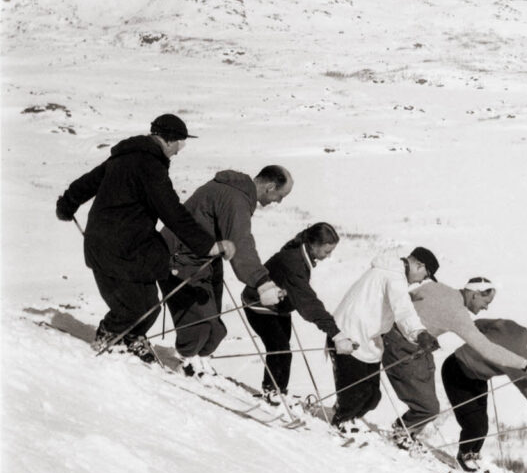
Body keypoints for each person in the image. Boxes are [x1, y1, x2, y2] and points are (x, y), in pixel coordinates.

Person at [54, 113, 235, 361]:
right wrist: (208, 246)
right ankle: (108, 338)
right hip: (117, 248)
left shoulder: (125, 157)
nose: (180, 151)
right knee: (136, 307)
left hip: (117, 245)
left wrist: (67, 204)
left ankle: (130, 338)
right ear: (169, 141)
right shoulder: (150, 166)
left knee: (149, 304)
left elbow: (85, 184)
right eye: (181, 143)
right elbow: (173, 212)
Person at [380, 277, 527, 446]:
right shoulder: (459, 315)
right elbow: (487, 348)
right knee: (429, 408)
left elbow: (403, 298)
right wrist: (526, 364)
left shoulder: (436, 286)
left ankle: (406, 430)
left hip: (401, 340)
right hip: (404, 348)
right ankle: (402, 433)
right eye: (486, 302)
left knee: (427, 401)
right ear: (475, 294)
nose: (485, 308)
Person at [159, 164, 293, 375]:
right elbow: (241, 244)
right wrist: (262, 282)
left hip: (204, 260)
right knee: (199, 325)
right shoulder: (236, 199)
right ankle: (184, 361)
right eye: (281, 195)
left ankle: (198, 361)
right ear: (270, 187)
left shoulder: (238, 194)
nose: (279, 201)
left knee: (216, 330)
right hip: (180, 258)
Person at [441, 309, 527, 472]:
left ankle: (472, 456)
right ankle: (463, 457)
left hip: (474, 376)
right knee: (475, 425)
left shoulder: (510, 325)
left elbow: (479, 324)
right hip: (458, 372)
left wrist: (482, 351)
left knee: (483, 426)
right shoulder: (519, 354)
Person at [328, 247, 440, 428]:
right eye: (425, 276)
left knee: (372, 397)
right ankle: (341, 423)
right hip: (348, 335)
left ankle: (348, 418)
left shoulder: (392, 274)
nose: (421, 281)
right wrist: (419, 333)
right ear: (419, 265)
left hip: (367, 339)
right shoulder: (393, 276)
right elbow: (403, 310)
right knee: (356, 394)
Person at [241, 222, 347, 404]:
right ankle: (272, 391)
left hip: (279, 307)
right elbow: (309, 303)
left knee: (284, 350)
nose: (328, 256)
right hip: (259, 306)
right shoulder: (294, 261)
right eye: (327, 251)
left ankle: (279, 391)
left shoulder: (299, 253)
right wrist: (335, 334)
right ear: (314, 245)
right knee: (280, 349)